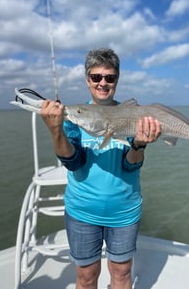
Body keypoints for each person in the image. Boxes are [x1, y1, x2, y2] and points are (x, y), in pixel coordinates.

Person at [41, 48, 161, 289]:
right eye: (96, 77)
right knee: (86, 277)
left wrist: (138, 143)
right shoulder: (76, 116)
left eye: (109, 77)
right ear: (88, 80)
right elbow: (73, 162)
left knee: (122, 273)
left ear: (117, 80)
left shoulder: (128, 116)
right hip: (82, 211)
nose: (102, 83)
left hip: (124, 210)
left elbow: (131, 164)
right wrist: (56, 130)